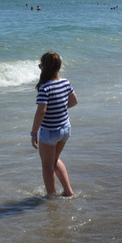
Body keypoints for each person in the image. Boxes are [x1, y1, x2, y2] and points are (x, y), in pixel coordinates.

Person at [30, 51, 78, 197]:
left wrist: (33, 132)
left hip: (50, 131)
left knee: (47, 165)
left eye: (40, 66)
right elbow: (74, 101)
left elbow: (41, 112)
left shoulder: (45, 87)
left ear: (45, 68)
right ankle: (68, 191)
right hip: (65, 128)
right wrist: (60, 107)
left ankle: (51, 196)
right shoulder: (65, 82)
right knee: (55, 160)